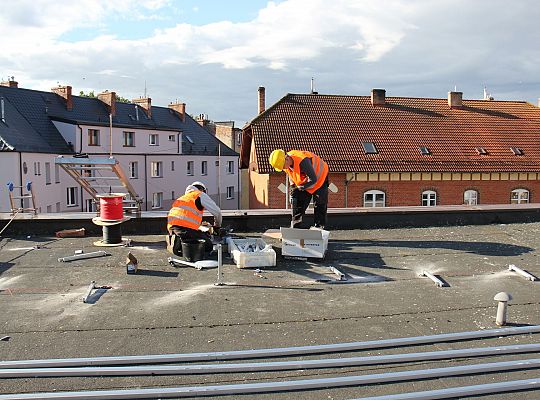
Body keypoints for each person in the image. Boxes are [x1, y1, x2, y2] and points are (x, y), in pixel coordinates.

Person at [268, 149, 329, 229]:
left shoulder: (303, 161)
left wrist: (303, 187)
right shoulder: (286, 163)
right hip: (306, 180)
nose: (283, 168)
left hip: (320, 177)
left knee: (319, 203)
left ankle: (319, 227)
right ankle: (295, 226)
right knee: (299, 202)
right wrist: (293, 192)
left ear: (286, 159)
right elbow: (291, 177)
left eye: (282, 166)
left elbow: (313, 179)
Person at [167, 181, 222, 256]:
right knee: (208, 245)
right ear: (203, 190)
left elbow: (185, 217)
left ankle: (177, 239)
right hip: (185, 229)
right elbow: (217, 212)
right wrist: (217, 226)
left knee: (193, 236)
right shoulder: (199, 194)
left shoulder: (183, 198)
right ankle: (181, 243)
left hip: (172, 228)